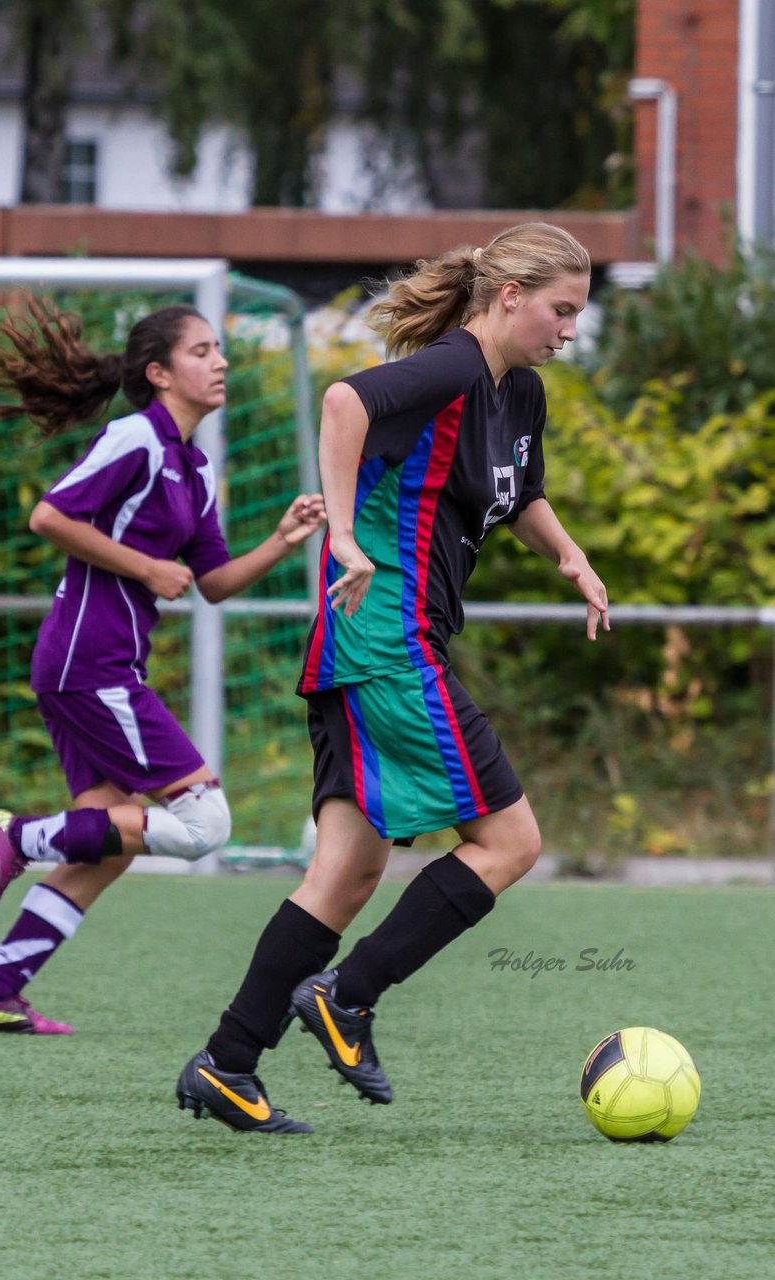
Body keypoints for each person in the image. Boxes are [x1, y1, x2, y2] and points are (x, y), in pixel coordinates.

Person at [175, 222, 610, 1134]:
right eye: (560, 309)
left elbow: (519, 494)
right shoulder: (450, 370)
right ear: (507, 298)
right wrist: (341, 533)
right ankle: (351, 996)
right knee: (511, 842)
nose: (569, 328)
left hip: (375, 645)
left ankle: (228, 1062)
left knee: (346, 869)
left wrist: (570, 557)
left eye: (578, 311)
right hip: (387, 639)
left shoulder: (515, 393)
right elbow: (343, 404)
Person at [0, 296, 325, 1036]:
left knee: (109, 840)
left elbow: (213, 582)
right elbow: (50, 515)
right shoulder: (137, 438)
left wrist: (282, 540)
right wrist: (147, 568)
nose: (220, 362)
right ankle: (14, 835)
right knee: (202, 823)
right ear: (158, 373)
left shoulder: (194, 465)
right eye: (201, 351)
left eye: (220, 349)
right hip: (90, 662)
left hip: (92, 665)